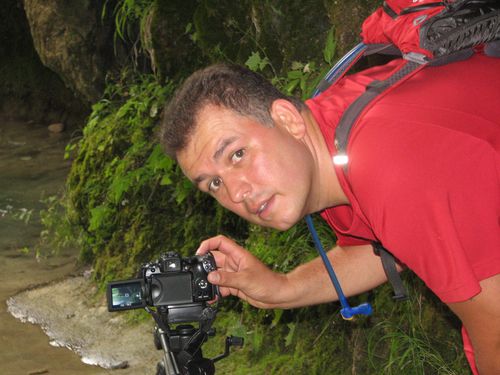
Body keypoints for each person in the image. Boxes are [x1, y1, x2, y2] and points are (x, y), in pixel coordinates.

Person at [159, 51, 500, 374]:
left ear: (286, 119)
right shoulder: (329, 137)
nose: (237, 192)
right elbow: (382, 248)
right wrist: (282, 288)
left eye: (237, 154)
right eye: (214, 184)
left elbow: (496, 332)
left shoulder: (387, 165)